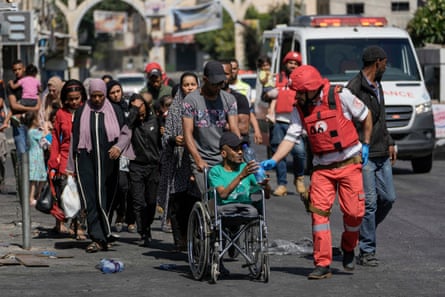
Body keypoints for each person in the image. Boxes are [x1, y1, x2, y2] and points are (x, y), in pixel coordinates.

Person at [261, 65, 373, 279]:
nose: (297, 95)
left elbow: (366, 115)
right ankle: (322, 263)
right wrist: (274, 160)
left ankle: (349, 246)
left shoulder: (340, 96)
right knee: (318, 215)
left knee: (355, 213)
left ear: (312, 88)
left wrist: (366, 144)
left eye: (300, 91)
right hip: (322, 168)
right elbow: (290, 138)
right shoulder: (300, 108)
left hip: (350, 163)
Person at [66, 79, 132, 253]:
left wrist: (118, 147)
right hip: (85, 161)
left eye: (100, 96)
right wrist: (70, 166)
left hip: (108, 161)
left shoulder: (115, 111)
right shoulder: (81, 112)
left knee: (106, 197)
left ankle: (104, 232)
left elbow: (126, 132)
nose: (96, 99)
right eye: (93, 96)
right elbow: (74, 138)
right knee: (91, 199)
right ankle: (98, 237)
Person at [346, 45, 397, 267]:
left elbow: (381, 118)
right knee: (370, 203)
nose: (386, 66)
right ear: (377, 62)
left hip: (382, 151)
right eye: (385, 62)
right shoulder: (354, 88)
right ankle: (367, 250)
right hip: (363, 153)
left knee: (388, 198)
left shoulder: (378, 85)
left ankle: (362, 233)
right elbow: (348, 121)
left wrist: (390, 141)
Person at [182, 60, 240, 196]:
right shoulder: (191, 101)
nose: (218, 87)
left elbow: (234, 130)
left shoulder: (229, 100)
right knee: (209, 197)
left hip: (224, 157)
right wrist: (197, 160)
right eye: (214, 84)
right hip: (202, 157)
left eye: (221, 83)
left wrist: (237, 152)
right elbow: (187, 134)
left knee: (230, 195)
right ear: (205, 80)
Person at [159, 72, 200, 251]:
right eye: (186, 84)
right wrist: (174, 139)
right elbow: (165, 136)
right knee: (177, 201)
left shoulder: (202, 106)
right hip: (177, 163)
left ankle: (195, 238)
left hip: (197, 159)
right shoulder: (175, 109)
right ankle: (180, 239)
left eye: (193, 84)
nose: (190, 87)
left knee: (195, 200)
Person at [48, 79, 86, 238]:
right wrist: (53, 161)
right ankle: (71, 222)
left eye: (77, 98)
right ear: (65, 98)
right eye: (71, 99)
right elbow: (56, 137)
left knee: (83, 193)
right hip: (65, 157)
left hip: (84, 156)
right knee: (68, 192)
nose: (74, 102)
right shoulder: (61, 114)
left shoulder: (87, 111)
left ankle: (79, 226)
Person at [268, 51, 306, 197]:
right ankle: (282, 184)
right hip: (279, 121)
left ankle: (299, 178)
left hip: (295, 122)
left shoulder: (302, 79)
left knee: (300, 153)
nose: (293, 65)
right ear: (285, 64)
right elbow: (270, 96)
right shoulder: (278, 79)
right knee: (279, 154)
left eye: (296, 63)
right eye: (290, 62)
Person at [126, 93, 161, 247]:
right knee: (138, 201)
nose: (138, 109)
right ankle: (143, 231)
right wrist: (133, 112)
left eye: (140, 105)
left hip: (153, 166)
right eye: (134, 106)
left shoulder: (155, 121)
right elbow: (126, 126)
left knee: (151, 202)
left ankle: (147, 225)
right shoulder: (130, 124)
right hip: (136, 166)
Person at [106, 80, 136, 233]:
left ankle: (130, 218)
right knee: (119, 186)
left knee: (128, 187)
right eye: (112, 92)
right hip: (113, 151)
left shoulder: (127, 108)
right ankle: (119, 214)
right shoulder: (107, 109)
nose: (116, 95)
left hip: (127, 152)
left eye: (118, 91)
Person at [221, 60, 262, 145]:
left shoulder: (243, 90)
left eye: (234, 69)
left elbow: (249, 113)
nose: (223, 77)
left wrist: (257, 130)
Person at [22, 111, 47, 206]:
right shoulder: (35, 132)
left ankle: (36, 195)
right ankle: (33, 197)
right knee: (37, 178)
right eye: (38, 119)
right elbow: (44, 140)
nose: (39, 121)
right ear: (33, 121)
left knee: (37, 177)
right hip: (36, 156)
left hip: (34, 155)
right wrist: (44, 129)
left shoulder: (30, 131)